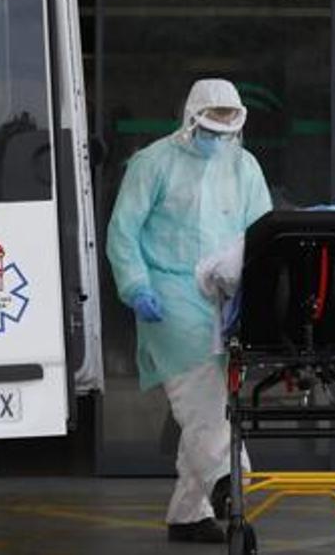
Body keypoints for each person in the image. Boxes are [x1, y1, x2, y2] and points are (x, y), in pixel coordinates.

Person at [106, 78, 273, 543]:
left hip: (224, 294)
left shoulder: (246, 167)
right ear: (191, 118)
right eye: (211, 126)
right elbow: (123, 230)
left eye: (227, 128)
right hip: (169, 292)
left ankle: (187, 514)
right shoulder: (153, 162)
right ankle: (228, 481)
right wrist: (136, 284)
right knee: (199, 389)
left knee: (216, 393)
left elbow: (261, 231)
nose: (219, 138)